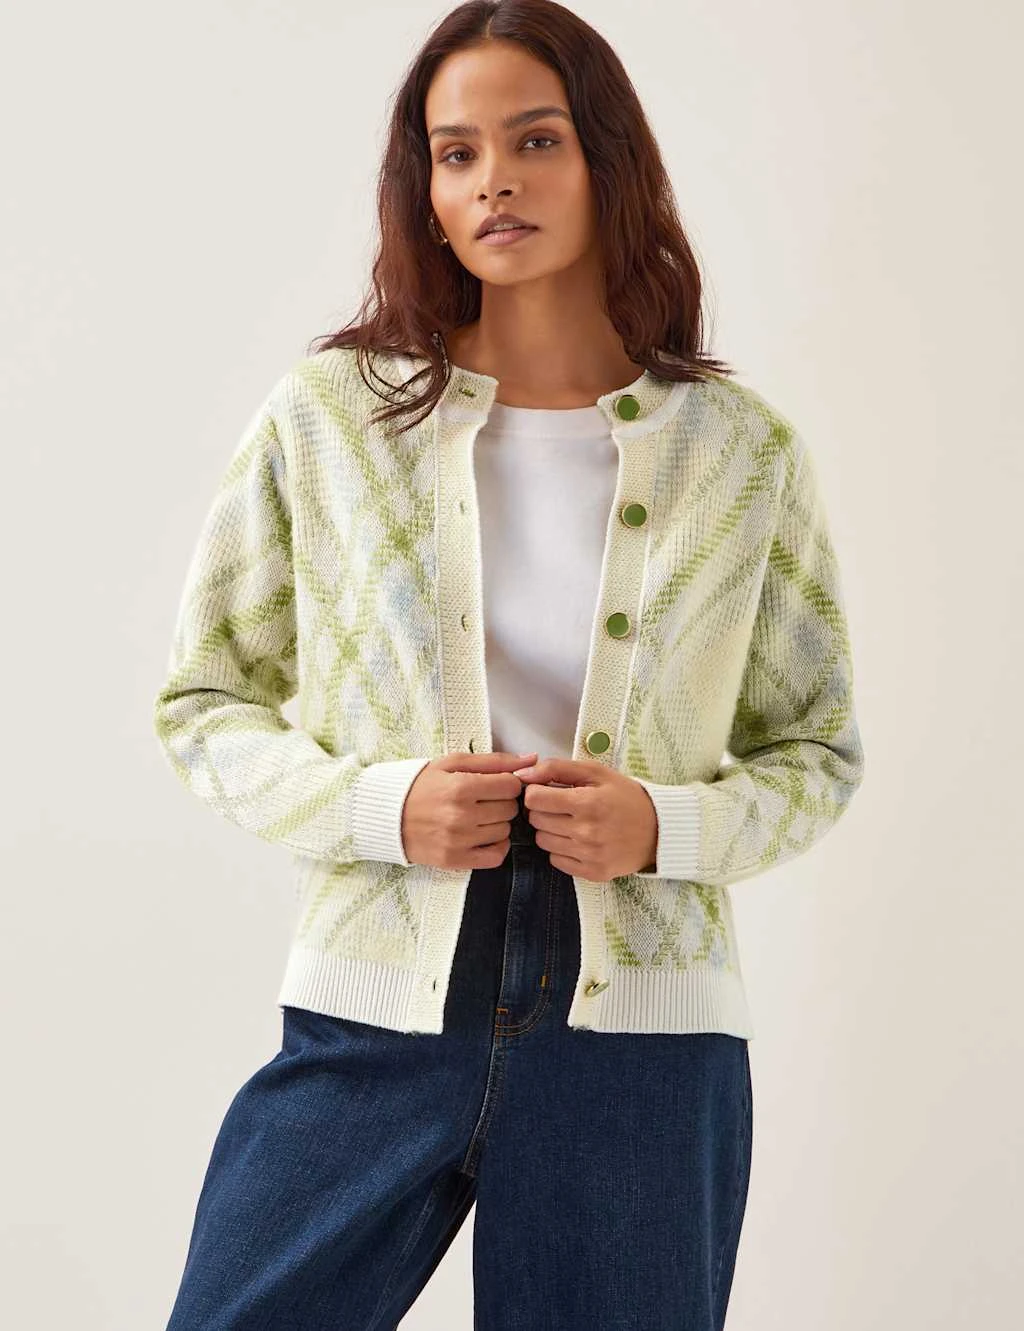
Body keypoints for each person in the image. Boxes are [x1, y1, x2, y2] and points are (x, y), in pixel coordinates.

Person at [156, 2, 865, 1327]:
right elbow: (205, 701)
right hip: (378, 997)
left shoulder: (739, 452)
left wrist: (666, 826)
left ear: (606, 161)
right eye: (457, 152)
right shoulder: (333, 422)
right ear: (426, 192)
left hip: (640, 1032)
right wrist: (383, 807)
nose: (494, 180)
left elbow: (816, 750)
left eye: (535, 140)